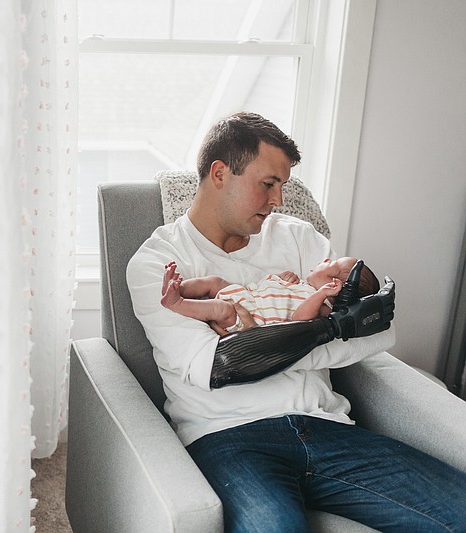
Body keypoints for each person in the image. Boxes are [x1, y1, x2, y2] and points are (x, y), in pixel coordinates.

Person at [126, 111, 466, 532]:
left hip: (327, 428)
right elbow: (219, 368)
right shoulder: (160, 265)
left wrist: (264, 343)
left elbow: (377, 334)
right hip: (230, 439)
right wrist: (328, 331)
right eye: (268, 184)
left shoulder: (299, 239)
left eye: (283, 186)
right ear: (219, 174)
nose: (278, 201)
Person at [160, 256, 379, 332]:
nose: (323, 260)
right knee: (215, 282)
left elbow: (298, 318)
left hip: (251, 317)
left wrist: (320, 294)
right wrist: (282, 279)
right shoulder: (300, 284)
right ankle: (179, 287)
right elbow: (273, 292)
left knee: (221, 309)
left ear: (334, 284)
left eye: (330, 263)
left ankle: (177, 302)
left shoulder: (322, 307)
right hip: (245, 295)